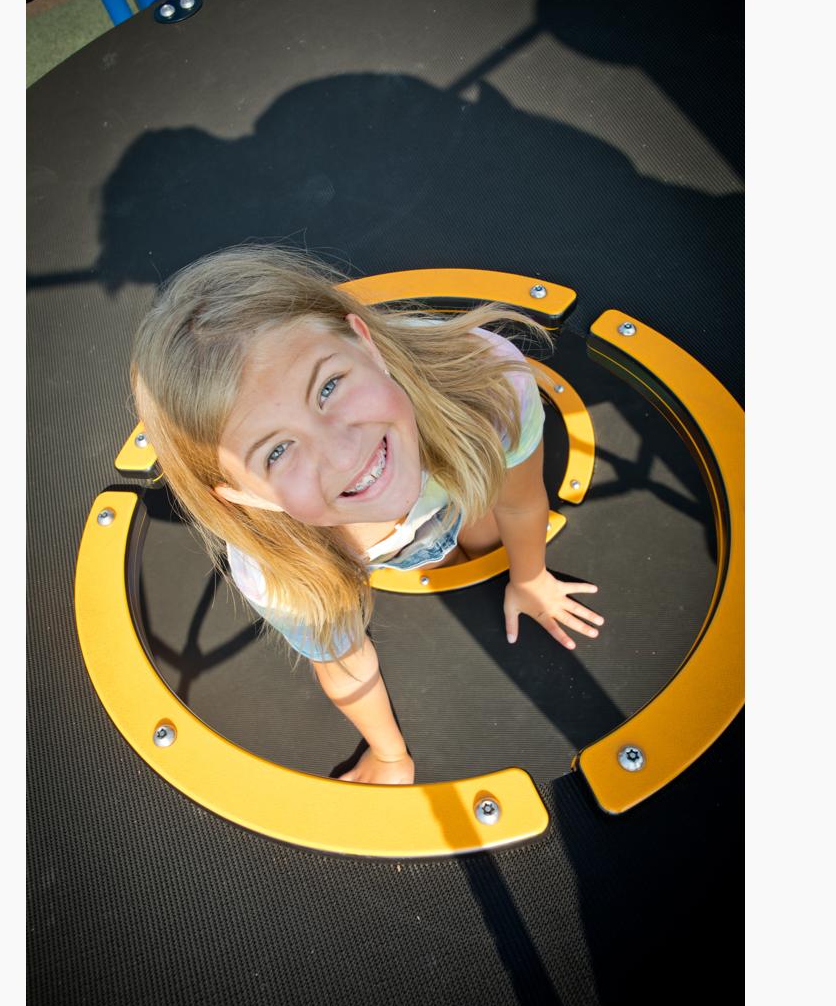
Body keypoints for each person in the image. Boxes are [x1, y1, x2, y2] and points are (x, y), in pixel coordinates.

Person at [129, 245, 604, 786]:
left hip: (459, 480)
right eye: (277, 452)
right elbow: (345, 665)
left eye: (329, 387)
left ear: (367, 346)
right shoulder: (273, 570)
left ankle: (468, 539)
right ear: (249, 498)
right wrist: (390, 756)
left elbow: (518, 499)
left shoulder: (487, 384)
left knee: (484, 528)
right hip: (376, 536)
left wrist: (531, 576)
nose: (341, 452)